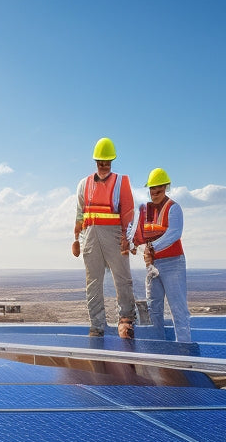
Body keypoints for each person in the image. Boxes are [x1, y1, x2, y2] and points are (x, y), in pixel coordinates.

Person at [73, 137, 137, 338]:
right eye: (100, 162)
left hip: (115, 237)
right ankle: (97, 325)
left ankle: (126, 320)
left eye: (107, 162)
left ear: (112, 161)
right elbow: (79, 214)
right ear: (95, 161)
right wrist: (76, 239)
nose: (103, 166)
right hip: (90, 237)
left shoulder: (121, 182)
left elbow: (128, 213)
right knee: (93, 282)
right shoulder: (83, 184)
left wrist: (128, 240)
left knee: (123, 279)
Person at [134, 168, 191, 343]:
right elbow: (139, 233)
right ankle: (158, 346)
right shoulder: (146, 211)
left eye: (158, 189)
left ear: (166, 188)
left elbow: (174, 233)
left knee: (178, 308)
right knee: (153, 308)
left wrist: (152, 247)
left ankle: (184, 349)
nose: (154, 193)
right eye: (152, 189)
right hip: (153, 266)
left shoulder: (174, 208)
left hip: (173, 263)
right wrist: (132, 243)